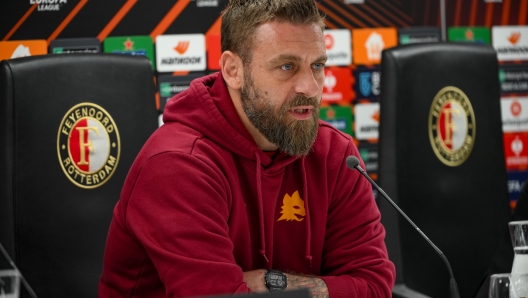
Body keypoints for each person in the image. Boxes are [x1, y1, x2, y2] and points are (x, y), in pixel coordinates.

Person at [99, 0, 396, 297]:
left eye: (317, 65)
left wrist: (271, 281)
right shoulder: (177, 164)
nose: (310, 86)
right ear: (233, 70)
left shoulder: (336, 155)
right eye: (287, 66)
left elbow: (375, 286)